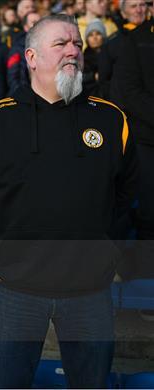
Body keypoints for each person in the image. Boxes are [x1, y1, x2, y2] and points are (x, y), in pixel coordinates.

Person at [0, 14, 137, 388]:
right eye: (62, 44)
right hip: (14, 290)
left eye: (78, 45)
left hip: (89, 290)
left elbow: (129, 191)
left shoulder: (112, 119)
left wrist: (103, 241)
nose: (73, 51)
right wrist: (3, 232)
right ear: (32, 58)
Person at [114, 7, 154, 279]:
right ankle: (148, 280)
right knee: (150, 212)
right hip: (147, 138)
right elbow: (129, 90)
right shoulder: (134, 39)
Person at [98, 0, 148, 101]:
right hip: (123, 108)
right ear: (123, 13)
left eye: (142, 5)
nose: (139, 10)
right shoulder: (112, 42)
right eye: (133, 6)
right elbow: (104, 79)